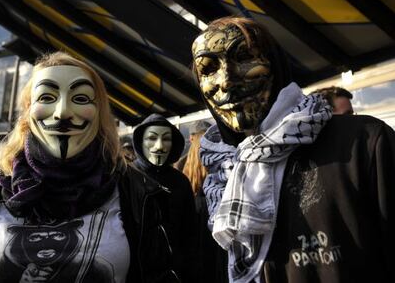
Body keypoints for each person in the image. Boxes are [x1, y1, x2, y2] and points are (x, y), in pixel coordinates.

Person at [191, 17, 395, 283]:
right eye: (208, 69)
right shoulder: (222, 176)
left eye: (244, 57)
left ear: (275, 63)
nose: (226, 81)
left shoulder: (364, 143)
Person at [0, 52, 179, 283]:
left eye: (81, 98)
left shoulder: (134, 189)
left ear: (99, 111)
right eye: (46, 97)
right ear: (27, 110)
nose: (63, 112)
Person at [132, 114, 197, 282]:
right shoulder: (127, 177)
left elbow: (190, 232)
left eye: (166, 139)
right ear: (141, 141)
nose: (159, 146)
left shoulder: (180, 181)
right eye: (152, 138)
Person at [181, 120, 228, 283]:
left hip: (195, 219)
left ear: (191, 138)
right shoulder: (221, 156)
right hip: (217, 218)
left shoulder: (181, 164)